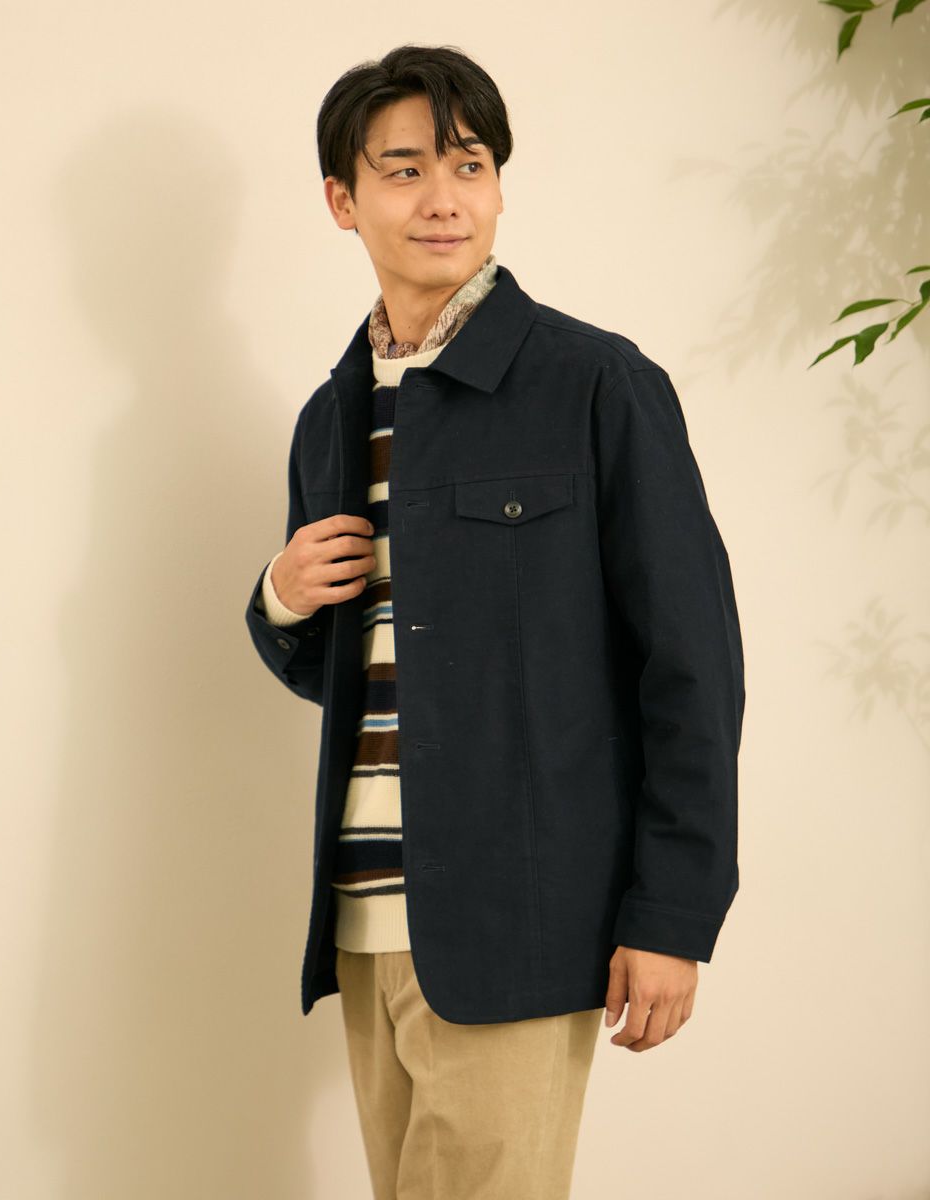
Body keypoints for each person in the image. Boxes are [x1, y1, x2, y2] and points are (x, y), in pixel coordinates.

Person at [245, 42, 745, 1200]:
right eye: (405, 169)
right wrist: (281, 599)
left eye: (469, 165)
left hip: (520, 921)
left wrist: (674, 912)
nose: (444, 198)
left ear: (500, 189)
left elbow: (692, 666)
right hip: (364, 923)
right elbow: (365, 676)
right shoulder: (333, 417)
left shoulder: (595, 384)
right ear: (342, 200)